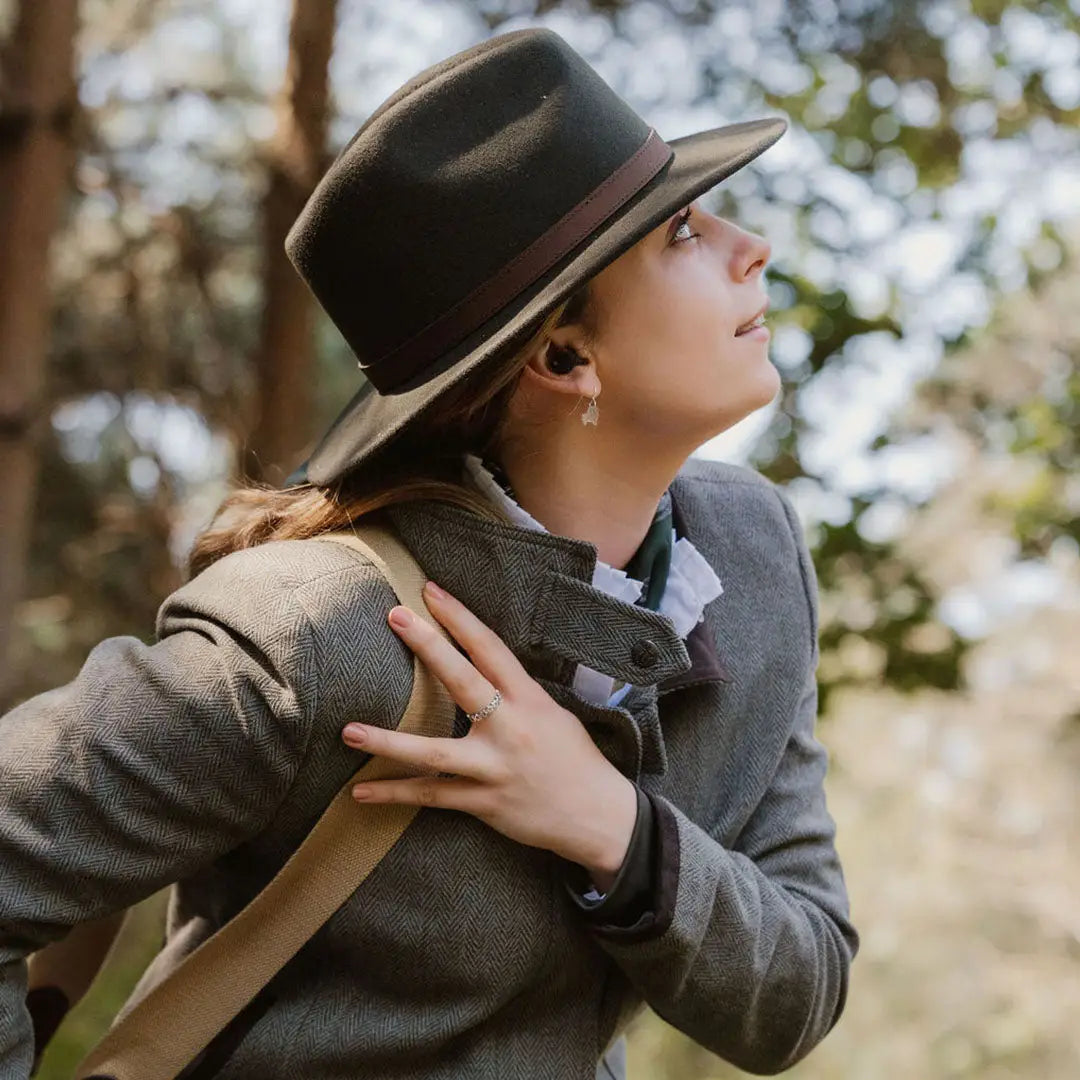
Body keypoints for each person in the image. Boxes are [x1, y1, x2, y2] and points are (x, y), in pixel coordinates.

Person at [2, 26, 859, 1080]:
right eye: (681, 230)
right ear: (563, 354)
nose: (746, 245)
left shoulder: (758, 559)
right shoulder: (302, 636)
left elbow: (800, 992)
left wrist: (612, 828)